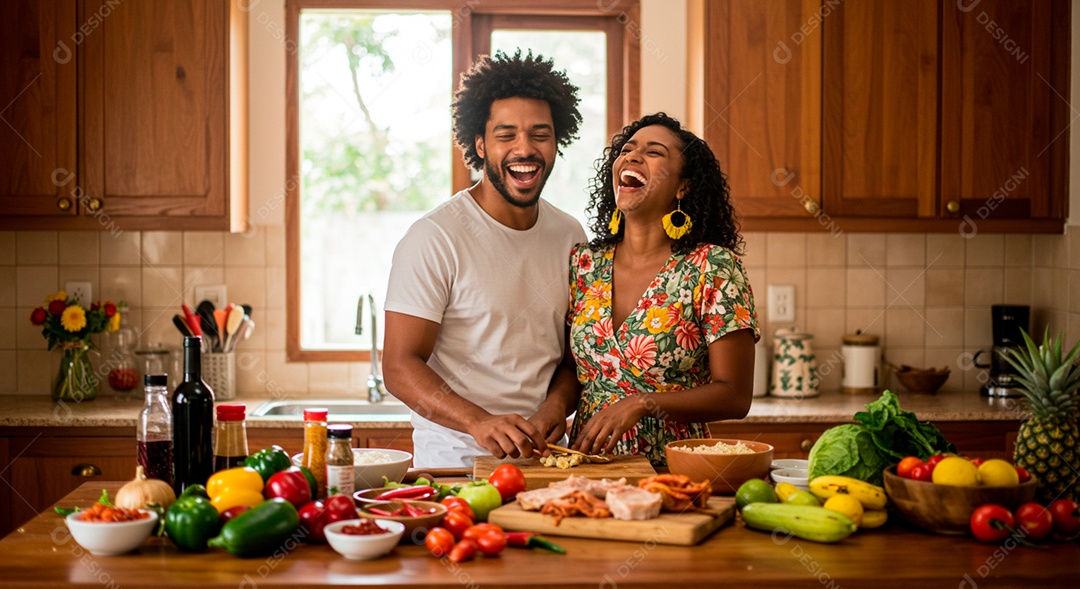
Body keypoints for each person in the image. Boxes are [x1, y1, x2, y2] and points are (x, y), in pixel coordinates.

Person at [382, 50, 586, 469]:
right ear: (480, 144)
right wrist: (479, 422)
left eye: (540, 134)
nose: (524, 148)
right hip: (455, 465)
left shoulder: (570, 235)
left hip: (544, 463)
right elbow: (400, 365)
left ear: (557, 142)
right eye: (506, 134)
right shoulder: (435, 237)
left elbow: (571, 357)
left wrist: (555, 408)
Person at [567, 112, 759, 467]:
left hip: (673, 468)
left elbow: (735, 395)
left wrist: (641, 403)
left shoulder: (711, 267)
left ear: (682, 187)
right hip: (588, 466)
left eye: (654, 152)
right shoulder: (585, 263)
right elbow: (571, 369)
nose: (632, 156)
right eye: (627, 149)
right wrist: (549, 411)